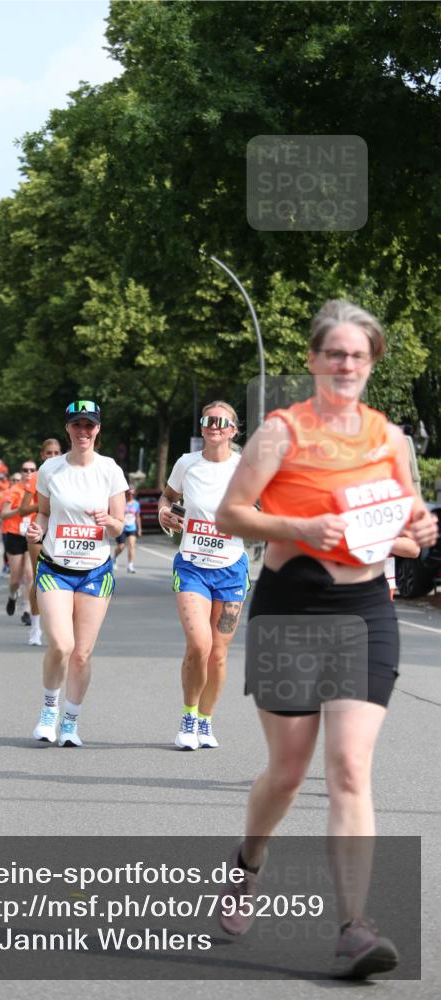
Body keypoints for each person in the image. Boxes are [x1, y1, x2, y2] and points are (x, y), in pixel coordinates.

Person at [214, 299, 438, 978]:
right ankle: (247, 861)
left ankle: (353, 927)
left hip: (364, 610)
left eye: (357, 355)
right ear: (313, 361)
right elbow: (231, 514)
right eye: (333, 353)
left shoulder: (391, 441)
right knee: (285, 773)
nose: (345, 364)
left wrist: (418, 535)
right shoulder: (281, 433)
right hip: (289, 608)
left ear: (371, 364)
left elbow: (409, 528)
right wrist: (301, 529)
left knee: (348, 767)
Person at [26, 401, 128, 746]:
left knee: (82, 653)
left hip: (95, 572)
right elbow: (42, 513)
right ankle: (48, 712)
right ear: (67, 428)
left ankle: (70, 723)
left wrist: (108, 521)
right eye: (77, 425)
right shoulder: (51, 469)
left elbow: (119, 527)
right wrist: (36, 531)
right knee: (61, 644)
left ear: (98, 430)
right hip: (56, 568)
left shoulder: (110, 469)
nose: (83, 431)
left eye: (90, 425)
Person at [158, 402, 248, 751]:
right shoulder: (186, 463)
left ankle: (207, 720)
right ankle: (189, 715)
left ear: (232, 430)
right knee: (200, 645)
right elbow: (167, 498)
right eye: (206, 420)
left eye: (219, 422)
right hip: (192, 564)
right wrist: (165, 514)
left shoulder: (245, 468)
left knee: (219, 654)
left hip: (231, 569)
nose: (212, 426)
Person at [18, 438, 63, 645]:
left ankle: (59, 628)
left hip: (62, 532)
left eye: (56, 453)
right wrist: (44, 507)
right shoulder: (36, 477)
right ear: (42, 455)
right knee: (39, 578)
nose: (52, 456)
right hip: (38, 530)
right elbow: (22, 509)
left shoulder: (67, 472)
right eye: (49, 453)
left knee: (63, 579)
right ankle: (35, 628)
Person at [0, 471, 33, 620]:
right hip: (14, 535)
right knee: (15, 580)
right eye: (25, 470)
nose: (28, 473)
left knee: (29, 575)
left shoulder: (39, 490)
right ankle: (12, 595)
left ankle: (27, 610)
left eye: (32, 470)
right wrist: (19, 510)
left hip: (32, 534)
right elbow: (4, 514)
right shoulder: (13, 491)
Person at [113, 487, 142, 573]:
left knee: (132, 545)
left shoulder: (136, 504)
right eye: (129, 493)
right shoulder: (122, 503)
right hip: (122, 528)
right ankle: (114, 558)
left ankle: (130, 565)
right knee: (121, 546)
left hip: (132, 528)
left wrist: (139, 529)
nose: (130, 495)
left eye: (132, 494)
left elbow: (137, 517)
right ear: (126, 494)